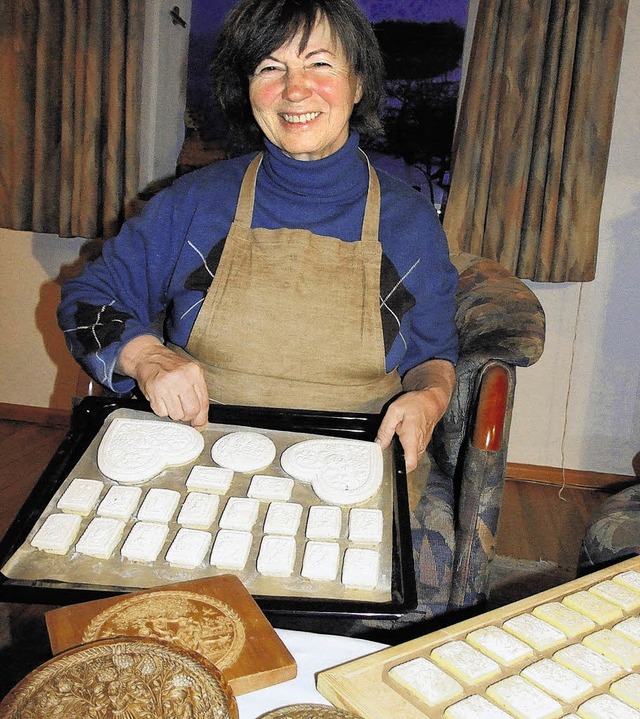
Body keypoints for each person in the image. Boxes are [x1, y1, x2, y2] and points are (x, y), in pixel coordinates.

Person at [58, 0, 459, 618]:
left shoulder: (409, 224)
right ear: (248, 92)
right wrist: (148, 357)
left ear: (357, 83)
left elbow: (434, 355)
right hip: (196, 463)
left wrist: (429, 397)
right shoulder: (195, 203)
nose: (295, 89)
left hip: (351, 474)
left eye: (319, 63)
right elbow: (90, 300)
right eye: (270, 68)